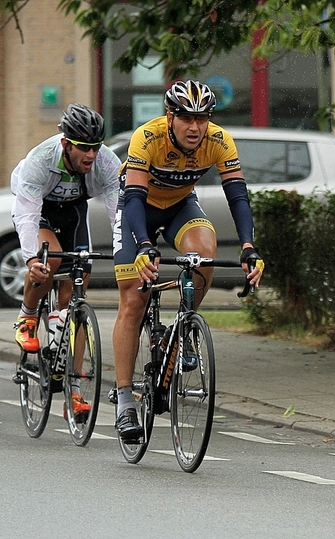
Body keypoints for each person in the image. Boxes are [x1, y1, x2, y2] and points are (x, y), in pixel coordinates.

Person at [112, 80, 264, 442]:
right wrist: (146, 245)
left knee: (205, 254)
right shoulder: (146, 138)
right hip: (138, 209)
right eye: (187, 119)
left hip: (180, 206)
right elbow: (133, 196)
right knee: (134, 300)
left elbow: (238, 197)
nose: (195, 127)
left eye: (202, 118)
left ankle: (182, 327)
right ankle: (123, 400)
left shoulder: (219, 140)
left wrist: (248, 247)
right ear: (170, 117)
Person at [11, 103, 121, 416]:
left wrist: (125, 251)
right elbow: (28, 215)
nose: (91, 155)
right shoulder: (40, 161)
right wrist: (32, 259)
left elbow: (118, 214)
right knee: (52, 261)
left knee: (76, 298)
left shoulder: (106, 164)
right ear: (66, 144)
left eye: (96, 148)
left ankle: (72, 390)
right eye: (84, 149)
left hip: (73, 210)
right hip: (39, 208)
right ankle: (28, 315)